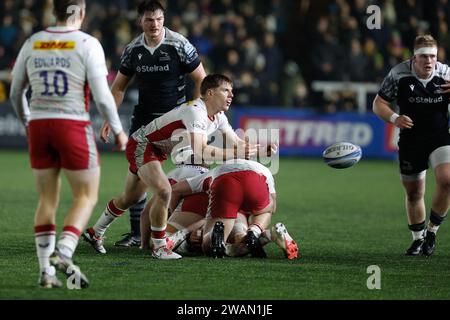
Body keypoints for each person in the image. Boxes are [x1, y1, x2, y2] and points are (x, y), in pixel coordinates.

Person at [9, 0, 128, 288]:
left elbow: (16, 92)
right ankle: (63, 252)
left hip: (39, 125)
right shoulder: (87, 43)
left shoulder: (34, 41)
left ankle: (46, 273)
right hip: (71, 124)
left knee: (47, 200)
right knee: (86, 196)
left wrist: (28, 122)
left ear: (54, 12)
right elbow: (102, 97)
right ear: (82, 13)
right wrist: (118, 130)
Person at [84, 74, 263, 259]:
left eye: (232, 91)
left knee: (130, 198)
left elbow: (237, 144)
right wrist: (236, 153)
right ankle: (160, 247)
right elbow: (201, 151)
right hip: (143, 145)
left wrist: (259, 150)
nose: (231, 95)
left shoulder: (218, 116)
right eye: (226, 90)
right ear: (210, 93)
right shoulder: (196, 111)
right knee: (164, 191)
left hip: (155, 150)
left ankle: (95, 232)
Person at [90, 0, 207, 248]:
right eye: (149, 20)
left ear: (164, 19)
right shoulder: (133, 50)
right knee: (141, 187)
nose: (154, 24)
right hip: (144, 126)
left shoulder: (179, 44)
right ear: (140, 21)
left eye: (159, 19)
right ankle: (148, 239)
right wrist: (110, 119)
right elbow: (119, 87)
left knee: (196, 167)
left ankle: (190, 226)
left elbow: (201, 80)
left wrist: (196, 112)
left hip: (176, 125)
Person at [373, 35, 450, 256]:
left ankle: (432, 231)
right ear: (414, 57)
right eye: (424, 56)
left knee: (447, 180)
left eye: (433, 56)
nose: (429, 61)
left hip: (440, 136)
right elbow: (378, 104)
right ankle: (418, 239)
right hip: (411, 139)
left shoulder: (445, 73)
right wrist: (395, 118)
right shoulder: (399, 74)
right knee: (415, 192)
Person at [170, 158, 298, 259]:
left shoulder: (216, 171)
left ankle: (216, 237)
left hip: (225, 185)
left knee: (208, 245)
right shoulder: (264, 169)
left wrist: (169, 216)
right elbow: (273, 206)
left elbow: (176, 190)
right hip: (257, 181)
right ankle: (257, 232)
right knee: (265, 212)